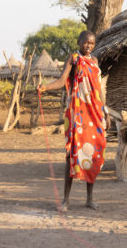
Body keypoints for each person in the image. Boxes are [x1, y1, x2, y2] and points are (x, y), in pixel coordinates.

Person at [38, 30, 108, 212]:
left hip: (94, 113)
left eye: (92, 44)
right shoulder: (74, 59)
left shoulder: (94, 62)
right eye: (86, 42)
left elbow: (99, 90)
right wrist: (45, 87)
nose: (89, 46)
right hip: (78, 113)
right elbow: (62, 81)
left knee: (93, 154)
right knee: (71, 155)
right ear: (79, 42)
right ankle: (66, 200)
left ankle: (89, 198)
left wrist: (105, 110)